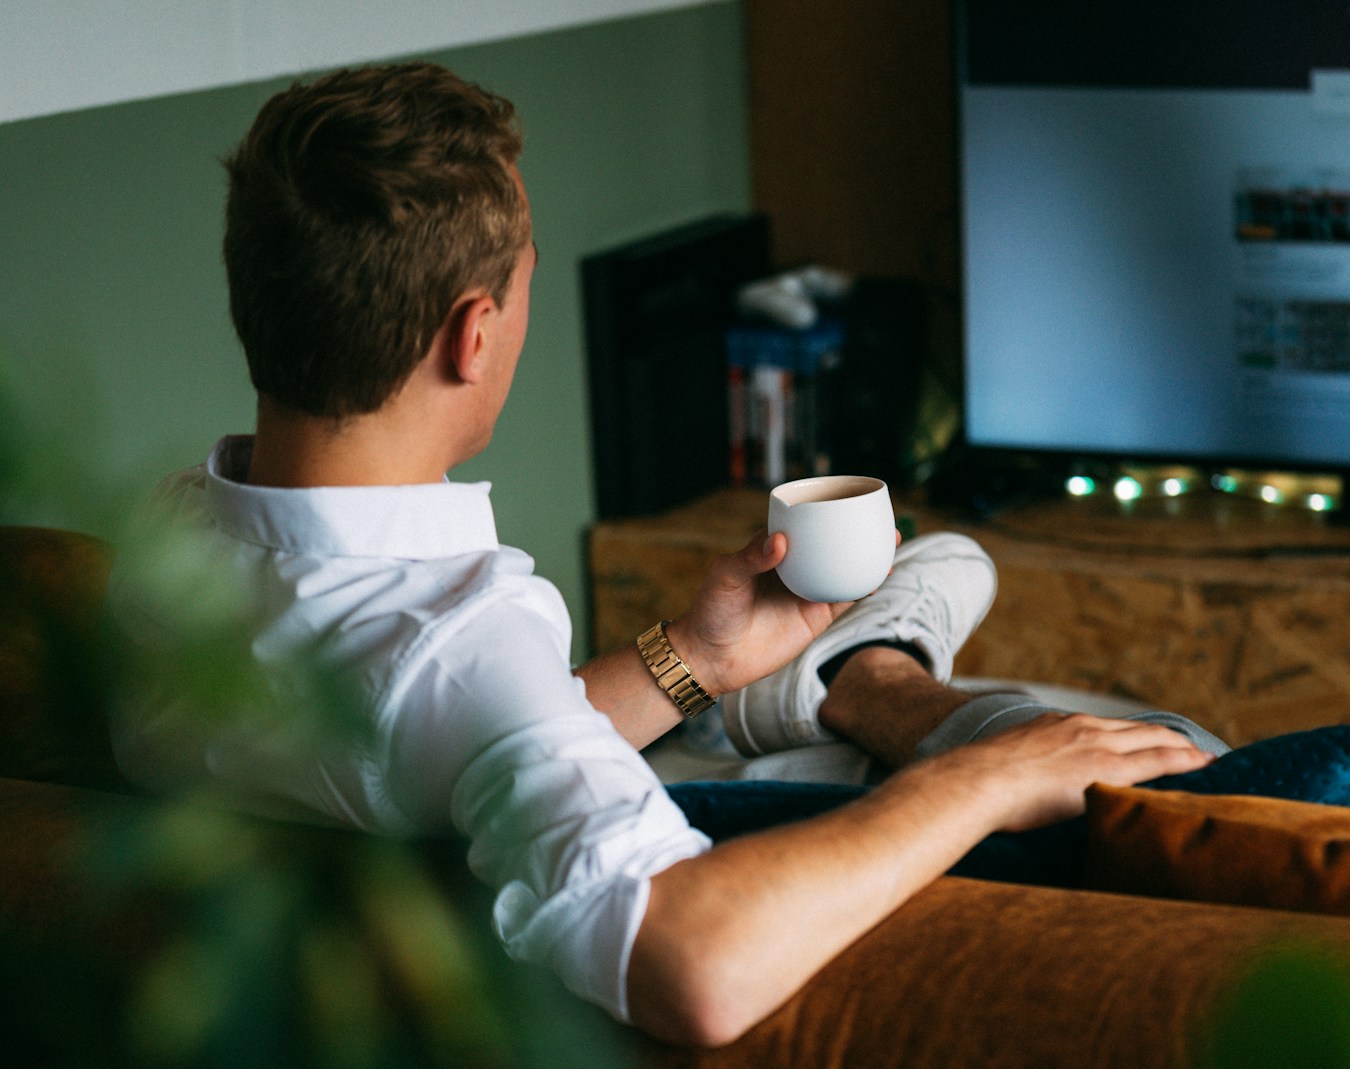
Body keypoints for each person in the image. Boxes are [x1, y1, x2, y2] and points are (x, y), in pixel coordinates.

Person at [106, 62, 1225, 1047]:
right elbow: (695, 969)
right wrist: (983, 782)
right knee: (1176, 742)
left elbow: (438, 743)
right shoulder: (460, 640)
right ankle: (864, 677)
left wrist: (693, 656)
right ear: (474, 332)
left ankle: (813, 678)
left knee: (935, 621)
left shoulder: (165, 539)